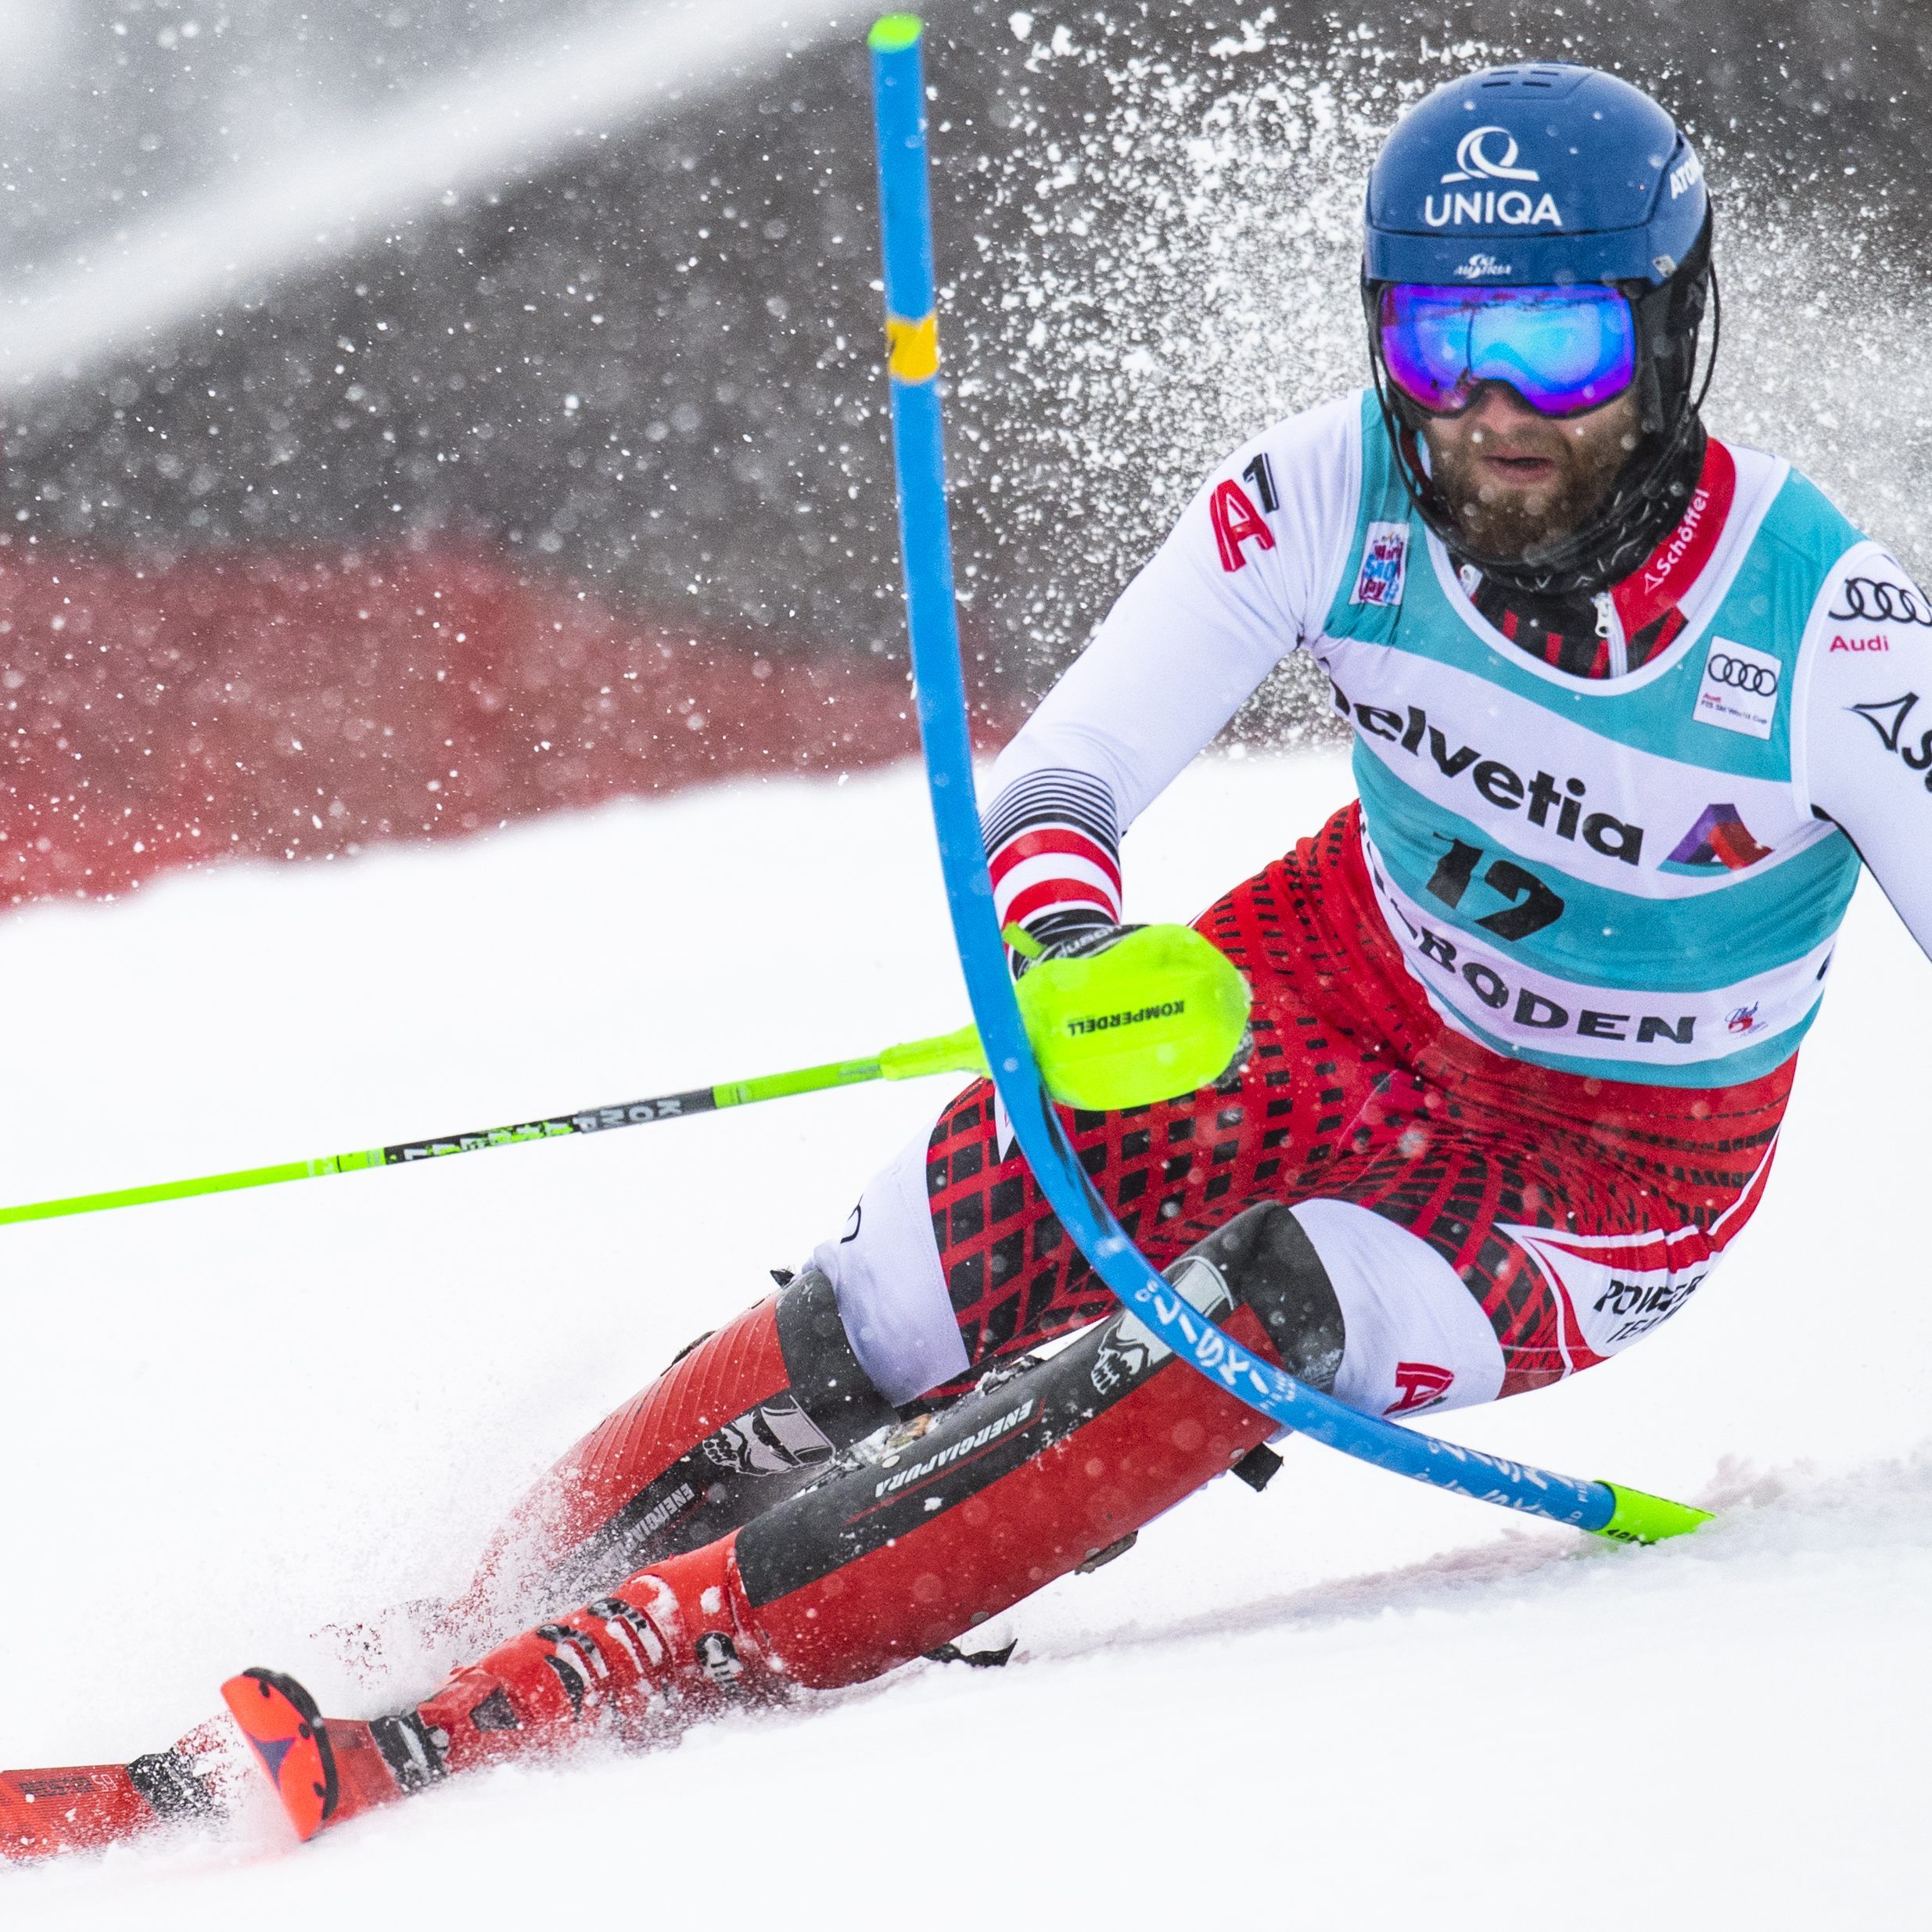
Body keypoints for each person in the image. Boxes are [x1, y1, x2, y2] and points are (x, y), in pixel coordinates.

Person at [11, 58, 1932, 1855]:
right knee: (908, 1280)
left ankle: (603, 1667)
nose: (1494, 416)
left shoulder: (1830, 632)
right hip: (1329, 981)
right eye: (1440, 343)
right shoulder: (1328, 489)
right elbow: (1072, 769)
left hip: (1594, 1175)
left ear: (1669, 335)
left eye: (1557, 344)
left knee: (1243, 1312)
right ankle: (447, 1623)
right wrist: (1073, 940)